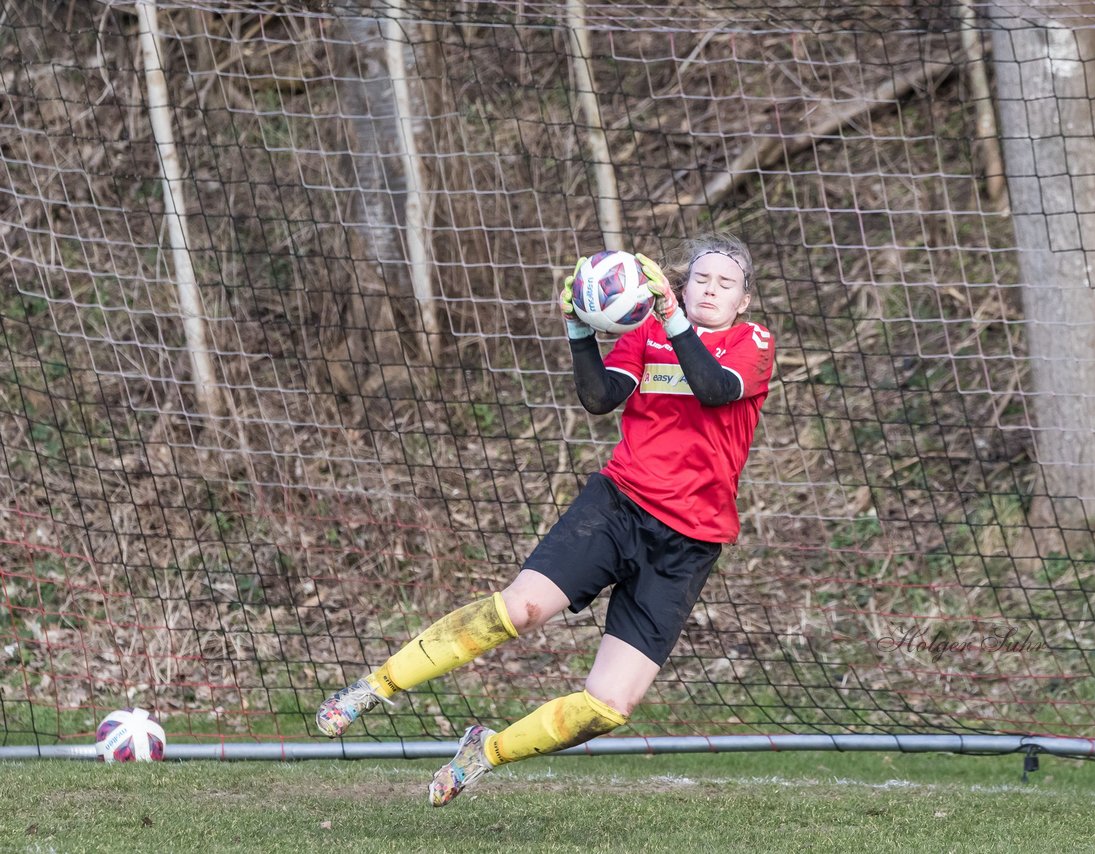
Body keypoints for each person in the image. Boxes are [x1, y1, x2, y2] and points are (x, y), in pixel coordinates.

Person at [316, 233, 775, 807]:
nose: (711, 290)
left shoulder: (751, 342)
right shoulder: (647, 332)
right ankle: (372, 687)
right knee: (520, 609)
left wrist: (673, 316)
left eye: (725, 283)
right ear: (682, 285)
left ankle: (484, 752)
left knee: (610, 705)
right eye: (700, 279)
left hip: (688, 543)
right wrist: (580, 330)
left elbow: (712, 389)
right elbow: (599, 397)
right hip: (618, 506)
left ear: (744, 300)